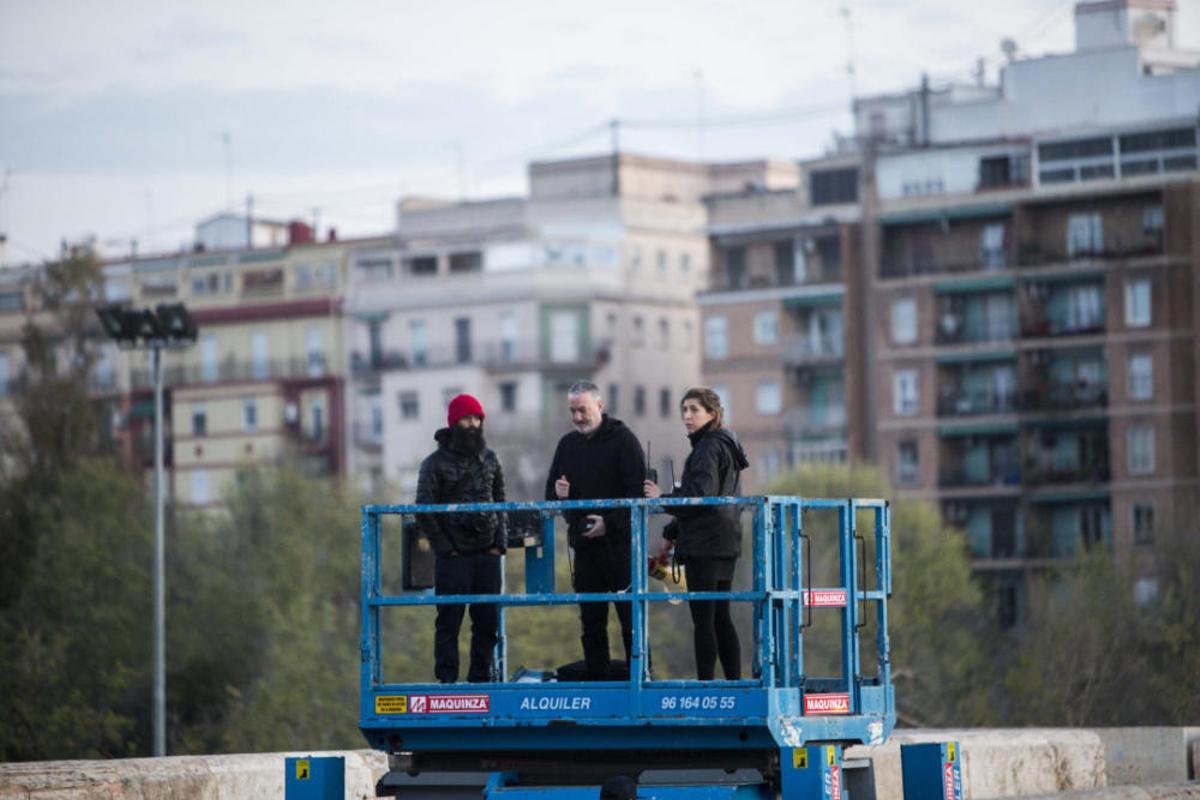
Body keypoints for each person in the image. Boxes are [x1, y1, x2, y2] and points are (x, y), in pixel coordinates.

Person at [644, 387, 748, 681]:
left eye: (694, 410)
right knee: (720, 617)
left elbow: (701, 495)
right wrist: (674, 528)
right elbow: (711, 496)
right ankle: (734, 685)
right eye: (684, 410)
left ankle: (707, 687)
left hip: (706, 543)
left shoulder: (708, 448)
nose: (687, 416)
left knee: (704, 619)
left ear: (712, 414)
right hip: (725, 539)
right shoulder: (726, 444)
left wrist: (661, 497)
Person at [544, 381, 646, 679]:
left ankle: (641, 680)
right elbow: (550, 495)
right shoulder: (567, 445)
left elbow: (637, 495)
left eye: (583, 410)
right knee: (591, 621)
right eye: (572, 411)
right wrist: (559, 494)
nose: (577, 417)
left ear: (599, 406)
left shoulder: (624, 441)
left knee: (631, 618)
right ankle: (597, 682)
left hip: (621, 548)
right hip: (585, 548)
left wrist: (609, 524)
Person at [416, 393, 507, 684]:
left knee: (487, 621)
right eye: (467, 418)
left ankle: (480, 680)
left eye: (477, 418)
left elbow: (502, 501)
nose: (473, 424)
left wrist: (499, 545)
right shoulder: (434, 463)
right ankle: (447, 681)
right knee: (449, 621)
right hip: (453, 556)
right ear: (454, 422)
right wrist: (446, 549)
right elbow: (424, 510)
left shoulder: (491, 458)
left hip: (487, 554)